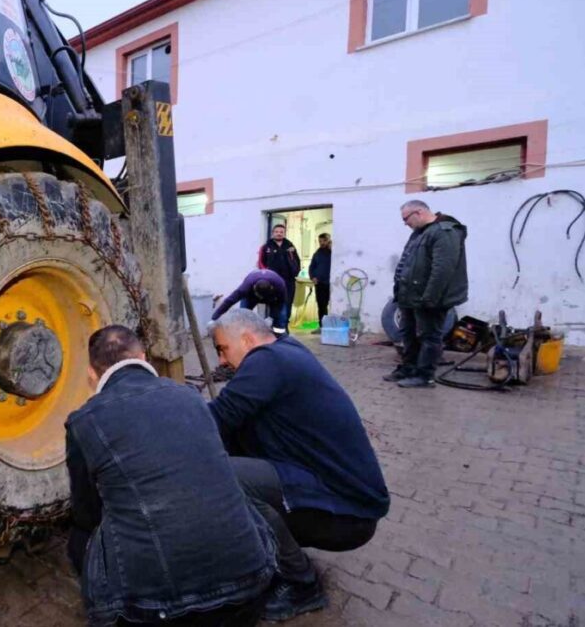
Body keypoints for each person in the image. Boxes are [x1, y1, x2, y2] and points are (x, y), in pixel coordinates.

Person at [66, 325, 275, 627]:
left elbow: (87, 514)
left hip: (158, 613)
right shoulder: (190, 397)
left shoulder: (84, 421)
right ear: (143, 357)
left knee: (79, 539)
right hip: (251, 590)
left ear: (91, 374)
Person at [207, 309, 390, 622]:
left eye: (222, 349)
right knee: (234, 453)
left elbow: (214, 419)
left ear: (248, 339)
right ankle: (271, 554)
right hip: (343, 499)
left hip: (348, 514)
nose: (221, 361)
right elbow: (231, 424)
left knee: (225, 480)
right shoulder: (287, 350)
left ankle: (301, 583)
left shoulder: (266, 361)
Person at [385, 200, 468, 388]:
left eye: (406, 219)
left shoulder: (445, 232)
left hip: (430, 298)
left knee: (429, 336)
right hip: (410, 297)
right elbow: (408, 262)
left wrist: (430, 298)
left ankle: (425, 376)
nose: (405, 223)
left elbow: (443, 269)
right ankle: (409, 368)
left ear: (420, 212)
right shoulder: (420, 233)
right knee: (408, 334)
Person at [211, 268, 289, 333]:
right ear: (254, 288)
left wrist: (272, 317)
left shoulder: (280, 285)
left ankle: (281, 339)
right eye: (259, 297)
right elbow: (229, 301)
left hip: (272, 298)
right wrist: (214, 318)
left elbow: (281, 302)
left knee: (281, 317)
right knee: (243, 317)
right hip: (251, 297)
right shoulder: (245, 287)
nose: (261, 300)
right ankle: (244, 337)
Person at [258, 224, 301, 320]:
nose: (279, 234)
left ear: (284, 234)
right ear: (273, 233)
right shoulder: (266, 247)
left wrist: (296, 271)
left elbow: (297, 261)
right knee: (274, 304)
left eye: (281, 232)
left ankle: (284, 328)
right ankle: (274, 328)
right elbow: (261, 263)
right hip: (272, 281)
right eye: (277, 232)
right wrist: (266, 275)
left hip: (288, 281)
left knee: (287, 303)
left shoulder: (290, 247)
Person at [308, 233, 332, 333]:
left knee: (328, 305)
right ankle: (322, 326)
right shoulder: (317, 253)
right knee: (321, 305)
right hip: (319, 283)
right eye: (320, 241)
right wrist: (313, 277)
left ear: (328, 240)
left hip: (330, 283)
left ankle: (329, 327)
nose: (322, 243)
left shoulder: (333, 252)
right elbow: (312, 267)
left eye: (324, 241)